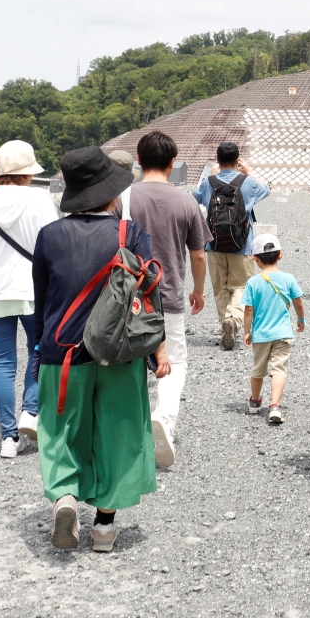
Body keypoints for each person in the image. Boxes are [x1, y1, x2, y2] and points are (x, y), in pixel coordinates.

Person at [31, 147, 170, 553]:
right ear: (110, 194)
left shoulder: (50, 236)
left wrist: (40, 351)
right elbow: (148, 299)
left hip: (63, 352)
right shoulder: (130, 234)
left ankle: (65, 498)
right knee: (118, 435)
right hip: (119, 354)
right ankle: (104, 530)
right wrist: (157, 350)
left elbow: (42, 302)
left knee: (60, 434)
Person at [122, 131, 210, 469]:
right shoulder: (186, 201)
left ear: (138, 161)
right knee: (174, 361)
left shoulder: (123, 197)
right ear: (172, 164)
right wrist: (198, 291)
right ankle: (165, 418)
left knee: (129, 362)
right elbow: (199, 255)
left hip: (127, 296)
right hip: (167, 294)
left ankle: (132, 426)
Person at [0, 140, 58, 459]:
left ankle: (8, 438)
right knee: (38, 353)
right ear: (27, 173)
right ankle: (30, 414)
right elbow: (53, 248)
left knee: (5, 361)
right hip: (33, 290)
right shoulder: (39, 200)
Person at [193, 142, 270, 350]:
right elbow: (266, 189)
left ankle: (225, 325)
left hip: (214, 244)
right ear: (237, 160)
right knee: (241, 287)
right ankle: (234, 322)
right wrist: (249, 171)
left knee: (220, 289)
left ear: (217, 160)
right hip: (242, 245)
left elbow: (194, 198)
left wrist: (212, 174)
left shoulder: (209, 182)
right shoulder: (247, 182)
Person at [242, 234, 305, 424]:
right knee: (279, 369)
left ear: (255, 258)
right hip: (283, 333)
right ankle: (275, 405)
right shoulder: (288, 278)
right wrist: (301, 320)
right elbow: (298, 302)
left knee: (258, 369)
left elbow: (248, 310)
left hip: (261, 335)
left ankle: (254, 401)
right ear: (281, 255)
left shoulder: (253, 282)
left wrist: (247, 331)